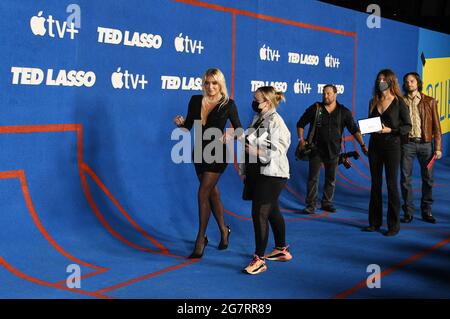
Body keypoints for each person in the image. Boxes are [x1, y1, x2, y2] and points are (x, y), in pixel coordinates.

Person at [174, 68, 243, 258]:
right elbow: (189, 126)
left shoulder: (228, 104)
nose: (210, 87)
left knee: (203, 192)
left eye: (214, 83)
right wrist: (180, 123)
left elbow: (239, 130)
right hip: (199, 154)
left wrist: (228, 135)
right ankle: (223, 229)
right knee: (212, 194)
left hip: (218, 155)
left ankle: (200, 239)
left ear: (220, 84)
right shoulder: (196, 100)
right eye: (207, 83)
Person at [239, 86, 292, 275]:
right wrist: (244, 168)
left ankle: (259, 260)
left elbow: (280, 149)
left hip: (273, 174)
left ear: (267, 103)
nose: (253, 102)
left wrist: (256, 152)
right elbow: (248, 144)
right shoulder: (258, 119)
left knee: (259, 212)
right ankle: (281, 249)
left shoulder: (276, 121)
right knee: (272, 210)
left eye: (257, 99)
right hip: (259, 173)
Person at [296, 84, 368, 214]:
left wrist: (362, 145)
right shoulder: (316, 108)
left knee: (331, 179)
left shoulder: (343, 112)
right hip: (315, 149)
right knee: (313, 178)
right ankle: (311, 205)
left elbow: (354, 130)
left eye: (328, 93)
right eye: (324, 93)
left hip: (334, 150)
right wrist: (301, 140)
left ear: (335, 94)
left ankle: (327, 203)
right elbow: (300, 124)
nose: (325, 96)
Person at [364, 69, 412, 236]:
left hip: (393, 147)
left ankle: (393, 225)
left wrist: (391, 130)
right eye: (379, 79)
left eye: (384, 79)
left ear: (391, 81)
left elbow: (407, 126)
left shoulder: (399, 102)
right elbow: (370, 122)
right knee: (375, 185)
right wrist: (368, 128)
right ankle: (374, 223)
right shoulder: (373, 101)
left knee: (392, 185)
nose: (381, 81)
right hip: (375, 147)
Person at [400, 72, 442, 224]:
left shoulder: (429, 101)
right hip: (407, 144)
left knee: (428, 179)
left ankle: (427, 211)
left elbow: (437, 127)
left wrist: (438, 147)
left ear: (418, 83)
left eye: (412, 81)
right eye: (406, 81)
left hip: (426, 145)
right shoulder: (400, 102)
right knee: (405, 179)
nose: (409, 83)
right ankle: (408, 212)